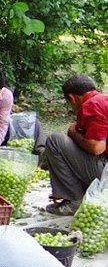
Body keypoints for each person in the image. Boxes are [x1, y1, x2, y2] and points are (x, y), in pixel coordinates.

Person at [44, 75, 108, 216]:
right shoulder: (104, 100)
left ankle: (74, 201)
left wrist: (73, 132)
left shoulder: (92, 105)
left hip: (106, 176)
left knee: (55, 141)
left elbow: (97, 147)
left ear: (72, 98)